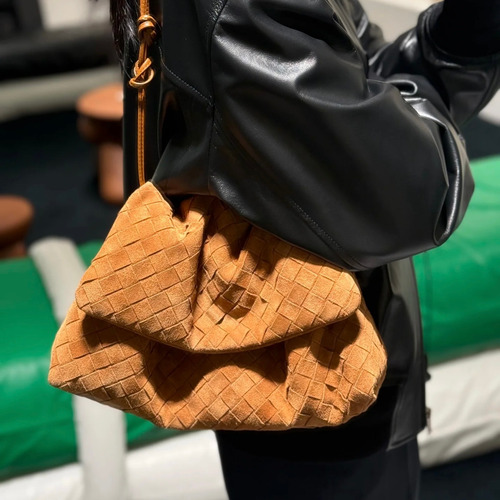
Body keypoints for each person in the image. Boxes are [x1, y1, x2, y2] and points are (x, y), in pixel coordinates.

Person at [109, 0, 500, 498]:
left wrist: (466, 31)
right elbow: (411, 197)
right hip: (315, 378)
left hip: (290, 353)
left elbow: (356, 76)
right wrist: (404, 114)